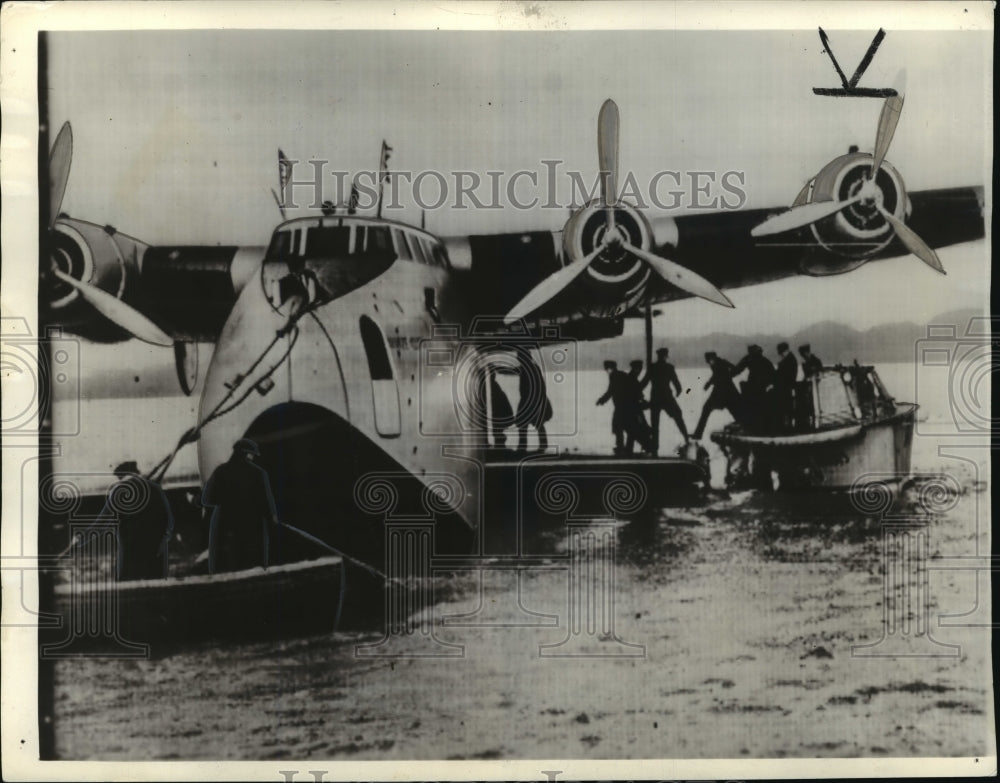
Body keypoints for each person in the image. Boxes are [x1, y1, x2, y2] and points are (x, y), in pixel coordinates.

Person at [201, 438, 279, 573]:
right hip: (252, 528)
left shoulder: (220, 472)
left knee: (231, 566)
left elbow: (207, 499)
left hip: (227, 528)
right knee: (253, 566)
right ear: (248, 454)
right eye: (253, 455)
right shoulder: (258, 474)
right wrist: (272, 519)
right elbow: (266, 502)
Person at [103, 461, 174, 581]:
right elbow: (166, 519)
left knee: (127, 585)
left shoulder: (117, 491)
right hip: (153, 545)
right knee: (155, 581)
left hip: (130, 548)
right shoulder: (153, 488)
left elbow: (110, 519)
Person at [640, 347, 689, 454]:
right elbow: (676, 383)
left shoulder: (653, 367)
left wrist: (637, 392)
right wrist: (678, 391)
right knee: (678, 416)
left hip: (656, 398)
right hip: (667, 397)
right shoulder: (669, 367)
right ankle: (686, 438)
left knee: (655, 424)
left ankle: (655, 447)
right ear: (666, 356)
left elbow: (644, 382)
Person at [692, 351, 741, 440]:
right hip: (722, 392)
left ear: (712, 359)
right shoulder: (716, 363)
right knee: (707, 409)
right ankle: (698, 434)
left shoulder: (722, 362)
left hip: (725, 393)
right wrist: (709, 383)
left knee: (707, 409)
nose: (708, 363)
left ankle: (698, 434)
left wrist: (727, 377)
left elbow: (735, 370)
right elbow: (716, 375)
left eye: (708, 360)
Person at [514, 347, 552, 452]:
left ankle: (522, 447)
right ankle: (542, 445)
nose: (518, 359)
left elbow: (512, 371)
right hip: (535, 399)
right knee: (537, 424)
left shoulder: (526, 368)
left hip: (529, 400)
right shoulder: (532, 367)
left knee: (523, 425)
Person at [733, 344, 775, 433]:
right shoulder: (764, 360)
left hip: (756, 387)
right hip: (759, 387)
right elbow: (773, 374)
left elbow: (737, 369)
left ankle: (751, 425)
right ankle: (757, 426)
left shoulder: (750, 359)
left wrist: (729, 375)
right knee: (757, 406)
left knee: (750, 405)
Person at [596, 360, 632, 455]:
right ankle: (626, 447)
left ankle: (621, 447)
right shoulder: (621, 374)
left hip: (621, 405)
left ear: (609, 368)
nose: (606, 370)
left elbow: (611, 391)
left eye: (606, 368)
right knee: (624, 426)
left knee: (618, 426)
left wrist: (602, 400)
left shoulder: (614, 376)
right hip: (625, 405)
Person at [624, 360, 653, 455]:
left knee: (633, 432)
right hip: (634, 411)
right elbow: (637, 395)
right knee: (641, 429)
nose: (640, 371)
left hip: (630, 410)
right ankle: (648, 447)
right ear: (637, 369)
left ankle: (629, 450)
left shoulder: (630, 378)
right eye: (640, 369)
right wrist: (646, 404)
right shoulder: (633, 379)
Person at [774, 341, 799, 430]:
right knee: (787, 409)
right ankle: (787, 426)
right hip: (787, 388)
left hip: (785, 388)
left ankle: (786, 428)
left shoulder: (788, 361)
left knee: (785, 408)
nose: (780, 355)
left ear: (784, 351)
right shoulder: (790, 359)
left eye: (781, 353)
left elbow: (782, 376)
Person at [488, 367, 513, 448]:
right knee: (497, 429)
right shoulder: (494, 384)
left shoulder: (492, 385)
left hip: (498, 412)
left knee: (497, 429)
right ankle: (500, 446)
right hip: (501, 411)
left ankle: (499, 446)